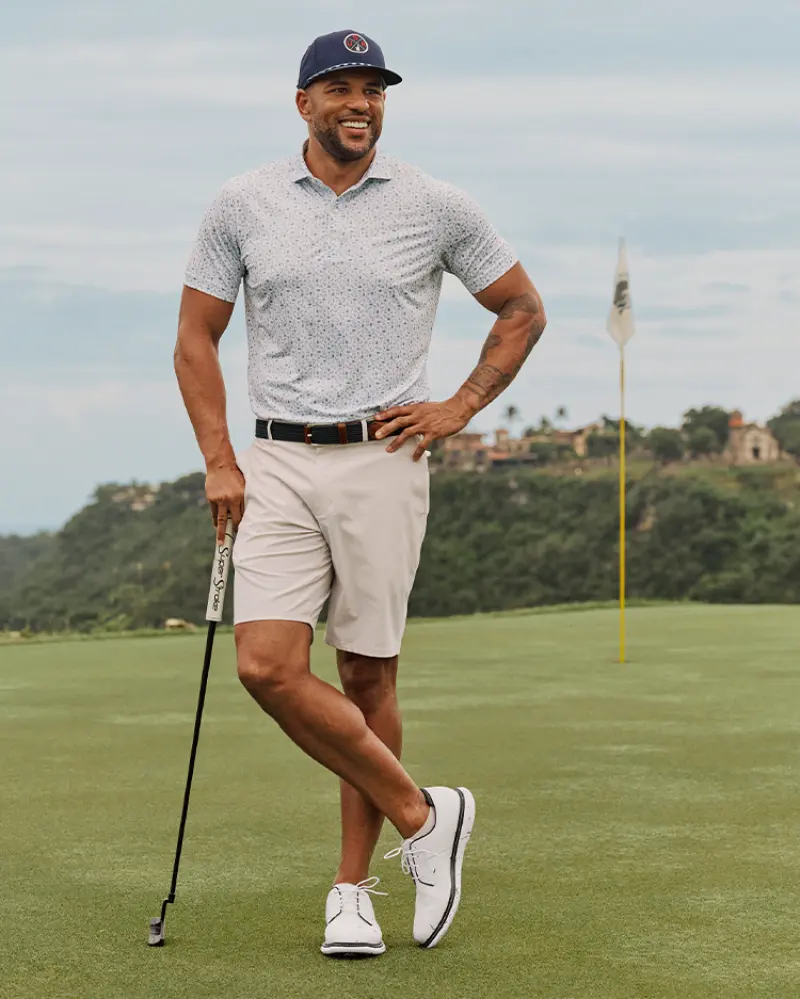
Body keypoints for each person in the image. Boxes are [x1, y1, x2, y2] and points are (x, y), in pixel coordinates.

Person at [174, 28, 546, 958]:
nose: (360, 103)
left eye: (373, 89)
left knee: (368, 672)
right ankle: (427, 817)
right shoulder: (242, 202)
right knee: (264, 665)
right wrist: (220, 459)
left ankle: (352, 890)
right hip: (275, 462)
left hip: (383, 457)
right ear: (303, 102)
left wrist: (460, 405)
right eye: (340, 87)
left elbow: (522, 308)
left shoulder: (436, 203)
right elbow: (194, 339)